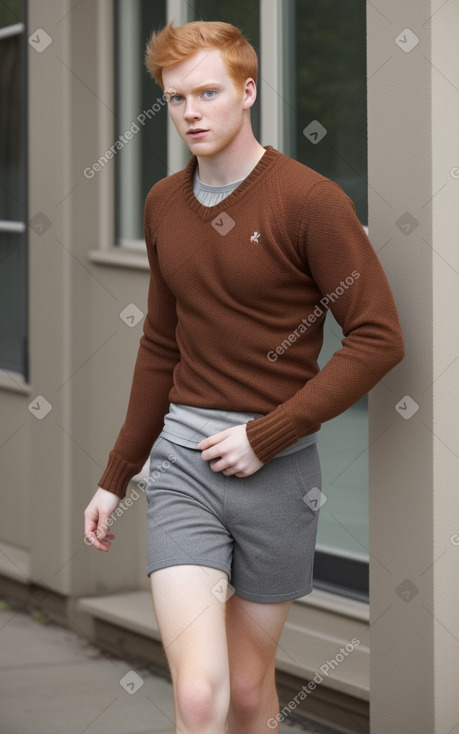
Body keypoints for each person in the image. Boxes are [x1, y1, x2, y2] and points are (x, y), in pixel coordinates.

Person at [84, 19, 404, 734]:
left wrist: (268, 434)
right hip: (181, 471)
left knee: (253, 695)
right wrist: (116, 475)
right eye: (174, 98)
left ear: (247, 91)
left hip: (279, 477)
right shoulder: (164, 203)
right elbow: (160, 346)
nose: (190, 113)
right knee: (199, 696)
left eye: (206, 92)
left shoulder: (309, 202)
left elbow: (378, 337)